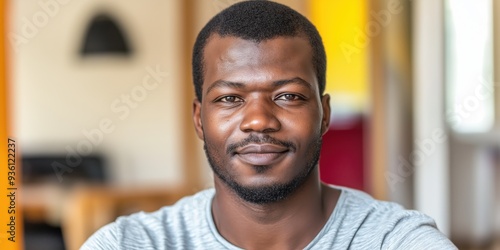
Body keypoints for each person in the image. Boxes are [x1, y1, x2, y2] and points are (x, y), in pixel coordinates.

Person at [82, 1, 457, 249]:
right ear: (199, 118)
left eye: (288, 96)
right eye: (230, 98)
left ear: (324, 114)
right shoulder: (129, 244)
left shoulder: (397, 242)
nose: (259, 120)